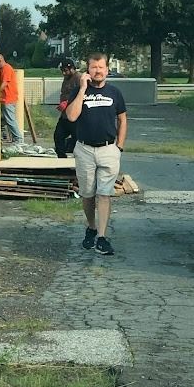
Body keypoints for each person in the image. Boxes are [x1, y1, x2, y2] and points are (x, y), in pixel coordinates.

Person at [65, 52, 127, 256]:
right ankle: (91, 227)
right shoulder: (78, 91)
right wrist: (83, 88)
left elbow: (123, 119)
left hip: (109, 149)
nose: (98, 71)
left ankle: (102, 237)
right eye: (94, 67)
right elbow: (72, 116)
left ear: (107, 69)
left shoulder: (115, 93)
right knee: (87, 194)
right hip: (84, 150)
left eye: (101, 67)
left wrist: (119, 146)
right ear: (88, 70)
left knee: (104, 194)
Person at [0, 53, 24, 144]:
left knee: (10, 120)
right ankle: (3, 135)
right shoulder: (2, 69)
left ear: (0, 61)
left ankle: (18, 139)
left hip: (8, 98)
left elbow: (5, 83)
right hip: (5, 98)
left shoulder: (6, 68)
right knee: (2, 119)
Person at [53, 57, 80, 158]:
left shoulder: (78, 78)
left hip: (75, 115)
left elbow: (82, 94)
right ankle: (61, 158)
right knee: (58, 135)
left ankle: (79, 159)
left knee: (77, 138)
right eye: (62, 71)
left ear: (72, 69)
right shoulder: (66, 79)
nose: (64, 73)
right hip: (65, 115)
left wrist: (68, 102)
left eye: (66, 70)